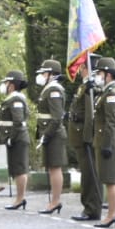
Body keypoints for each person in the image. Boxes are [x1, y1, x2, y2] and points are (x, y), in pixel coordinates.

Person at [91, 57, 115, 227]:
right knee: (107, 178)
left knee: (111, 180)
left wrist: (107, 144)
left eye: (100, 73)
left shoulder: (112, 93)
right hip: (103, 139)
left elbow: (112, 121)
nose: (97, 76)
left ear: (108, 75)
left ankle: (112, 214)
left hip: (108, 141)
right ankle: (111, 213)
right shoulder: (106, 91)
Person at [69, 59, 103, 221]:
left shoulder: (91, 86)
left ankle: (92, 208)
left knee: (90, 174)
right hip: (80, 135)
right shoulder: (85, 85)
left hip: (85, 136)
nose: (79, 69)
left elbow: (90, 115)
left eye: (81, 66)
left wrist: (88, 137)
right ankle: (88, 206)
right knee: (87, 173)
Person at [34, 60, 68, 214]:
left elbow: (56, 117)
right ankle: (54, 201)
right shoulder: (49, 89)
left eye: (44, 73)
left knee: (55, 168)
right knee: (52, 168)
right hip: (50, 133)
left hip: (54, 134)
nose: (41, 76)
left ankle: (55, 201)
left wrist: (46, 135)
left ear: (51, 74)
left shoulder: (54, 90)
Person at [0, 71, 31, 210]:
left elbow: (18, 121)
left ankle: (20, 198)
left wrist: (11, 137)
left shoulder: (15, 99)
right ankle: (19, 198)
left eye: (6, 82)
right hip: (15, 138)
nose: (4, 85)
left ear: (12, 85)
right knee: (17, 168)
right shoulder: (12, 98)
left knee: (20, 168)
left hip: (17, 138)